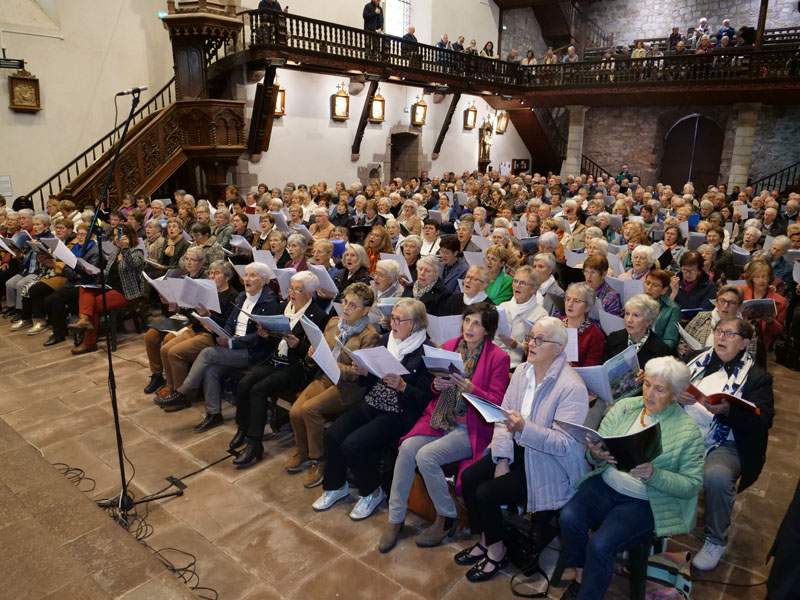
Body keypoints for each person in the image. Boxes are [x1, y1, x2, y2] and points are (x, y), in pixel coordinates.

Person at [455, 317, 589, 582]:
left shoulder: (572, 386)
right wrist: (502, 457)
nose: (531, 344)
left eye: (540, 340)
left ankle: (497, 551)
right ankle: (486, 540)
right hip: (517, 448)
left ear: (559, 349)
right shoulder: (523, 371)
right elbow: (503, 417)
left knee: (487, 492)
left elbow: (564, 444)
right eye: (531, 337)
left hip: (549, 463)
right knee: (469, 478)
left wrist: (525, 429)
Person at [558, 357, 704, 600]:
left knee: (600, 546)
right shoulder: (626, 408)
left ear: (676, 393)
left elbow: (691, 485)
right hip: (607, 483)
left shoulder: (687, 431)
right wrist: (595, 453)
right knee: (569, 517)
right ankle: (582, 577)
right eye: (647, 385)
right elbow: (598, 444)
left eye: (660, 389)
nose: (649, 394)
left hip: (645, 501)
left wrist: (655, 475)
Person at [380, 302, 510, 553]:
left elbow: (496, 404)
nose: (469, 327)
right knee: (407, 448)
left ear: (488, 330)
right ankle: (395, 519)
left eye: (477, 324)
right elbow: (434, 386)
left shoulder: (498, 357)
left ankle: (446, 516)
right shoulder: (450, 346)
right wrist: (436, 385)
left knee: (426, 456)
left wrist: (471, 389)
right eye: (467, 320)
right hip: (442, 417)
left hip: (471, 426)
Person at [311, 298, 434, 520]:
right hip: (373, 401)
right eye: (392, 318)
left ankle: (373, 492)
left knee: (354, 445)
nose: (392, 323)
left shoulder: (427, 352)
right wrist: (365, 373)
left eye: (398, 320)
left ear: (415, 324)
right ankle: (336, 486)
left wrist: (404, 387)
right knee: (332, 434)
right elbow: (370, 382)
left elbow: (426, 399)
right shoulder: (387, 340)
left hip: (398, 412)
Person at [678, 317, 774, 571]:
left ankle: (715, 539)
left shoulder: (758, 377)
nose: (721, 337)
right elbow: (671, 386)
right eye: (719, 331)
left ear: (744, 343)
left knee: (718, 477)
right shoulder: (697, 358)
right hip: (684, 426)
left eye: (730, 334)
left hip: (727, 439)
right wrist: (676, 395)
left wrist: (728, 410)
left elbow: (763, 420)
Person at [230, 271, 330, 467]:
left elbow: (315, 356)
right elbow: (273, 341)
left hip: (295, 368)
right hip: (274, 360)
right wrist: (266, 335)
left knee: (259, 390)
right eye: (291, 288)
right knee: (245, 383)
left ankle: (254, 443)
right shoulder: (284, 306)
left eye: (298, 289)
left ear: (310, 293)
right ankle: (243, 427)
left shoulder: (318, 316)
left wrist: (297, 346)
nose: (292, 292)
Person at [287, 283, 381, 487]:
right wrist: (312, 355)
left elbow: (359, 376)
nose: (345, 307)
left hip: (348, 388)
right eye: (345, 302)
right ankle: (302, 452)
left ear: (366, 310)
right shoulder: (333, 322)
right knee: (295, 412)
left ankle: (318, 460)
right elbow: (318, 353)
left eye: (353, 305)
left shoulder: (370, 335)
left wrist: (329, 361)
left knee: (310, 410)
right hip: (325, 377)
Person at [157, 262, 280, 415]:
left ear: (263, 280)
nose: (247, 279)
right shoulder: (242, 297)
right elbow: (230, 322)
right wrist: (223, 334)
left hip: (251, 351)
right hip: (232, 344)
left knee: (208, 353)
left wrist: (232, 341)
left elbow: (259, 336)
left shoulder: (269, 302)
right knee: (211, 369)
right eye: (246, 275)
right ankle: (213, 414)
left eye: (252, 275)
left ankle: (182, 393)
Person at [67, 225, 145, 355]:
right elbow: (107, 273)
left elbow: (134, 264)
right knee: (84, 289)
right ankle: (84, 319)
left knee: (94, 305)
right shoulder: (114, 253)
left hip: (126, 292)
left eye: (120, 235)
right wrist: (93, 272)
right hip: (110, 287)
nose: (117, 238)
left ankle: (89, 342)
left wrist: (125, 249)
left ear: (129, 237)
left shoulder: (136, 252)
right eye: (115, 235)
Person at [495, 265, 548, 369]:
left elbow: (537, 350)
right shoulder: (503, 307)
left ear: (534, 288)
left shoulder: (541, 315)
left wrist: (514, 345)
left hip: (517, 367)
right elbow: (493, 338)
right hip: (495, 361)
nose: (517, 286)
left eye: (522, 283)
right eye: (515, 281)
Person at [739, 260, 786, 352]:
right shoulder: (740, 291)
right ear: (751, 278)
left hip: (760, 342)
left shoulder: (780, 301)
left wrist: (771, 321)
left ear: (770, 278)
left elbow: (778, 331)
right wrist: (741, 315)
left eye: (765, 277)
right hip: (737, 334)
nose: (761, 281)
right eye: (757, 277)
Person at [561, 282, 605, 367]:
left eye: (576, 301)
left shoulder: (595, 336)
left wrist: (571, 367)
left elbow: (590, 370)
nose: (570, 304)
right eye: (568, 299)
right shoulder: (555, 324)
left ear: (588, 307)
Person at [644, 269, 680, 349]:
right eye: (647, 283)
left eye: (655, 285)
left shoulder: (672, 309)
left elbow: (670, 341)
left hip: (656, 351)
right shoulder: (636, 302)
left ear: (664, 290)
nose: (649, 288)